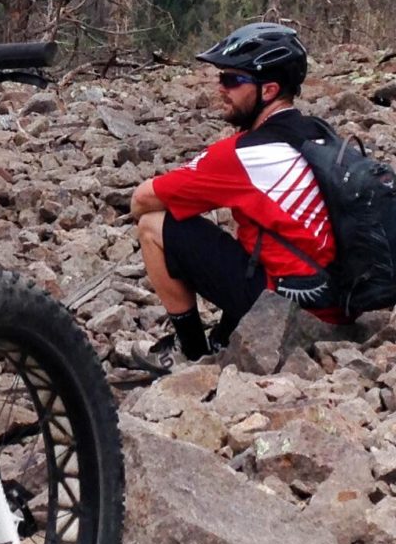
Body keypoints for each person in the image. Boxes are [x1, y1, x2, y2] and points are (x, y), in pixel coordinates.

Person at [126, 21, 337, 368]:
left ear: (268, 90)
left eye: (231, 80)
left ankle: (192, 352)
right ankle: (226, 333)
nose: (219, 88)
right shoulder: (319, 134)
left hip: (285, 308)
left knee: (153, 224)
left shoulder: (243, 153)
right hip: (333, 295)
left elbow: (141, 200)